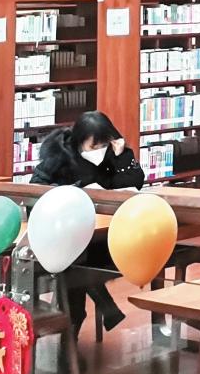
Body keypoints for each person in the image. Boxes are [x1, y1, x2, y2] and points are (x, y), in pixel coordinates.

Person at [30, 111, 145, 337]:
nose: (99, 151)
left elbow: (135, 182)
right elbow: (36, 186)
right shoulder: (61, 154)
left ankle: (88, 319)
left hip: (101, 233)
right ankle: (93, 314)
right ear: (79, 141)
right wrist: (73, 191)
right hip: (64, 233)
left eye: (103, 145)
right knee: (77, 261)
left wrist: (122, 156)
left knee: (81, 262)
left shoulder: (115, 152)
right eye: (93, 146)